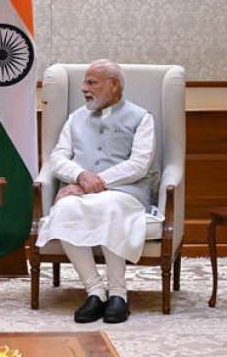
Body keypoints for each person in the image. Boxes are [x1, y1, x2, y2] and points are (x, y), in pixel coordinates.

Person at [36, 59, 157, 324]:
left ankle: (118, 294)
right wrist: (80, 176)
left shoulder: (142, 118)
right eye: (84, 82)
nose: (84, 88)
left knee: (109, 206)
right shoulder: (75, 119)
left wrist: (95, 182)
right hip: (80, 190)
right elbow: (57, 157)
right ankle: (95, 292)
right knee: (64, 208)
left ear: (113, 85)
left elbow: (139, 164)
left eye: (92, 83)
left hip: (125, 192)